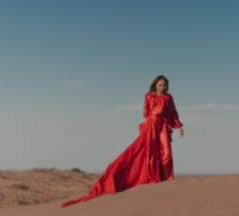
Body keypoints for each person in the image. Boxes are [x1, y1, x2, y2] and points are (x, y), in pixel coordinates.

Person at [61, 75, 184, 207]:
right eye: (160, 85)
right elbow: (146, 112)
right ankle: (154, 178)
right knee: (151, 154)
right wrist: (151, 122)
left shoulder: (168, 97)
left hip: (163, 126)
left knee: (167, 154)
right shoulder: (149, 96)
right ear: (155, 85)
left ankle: (167, 178)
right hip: (152, 126)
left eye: (164, 85)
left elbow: (173, 113)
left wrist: (179, 126)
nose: (162, 87)